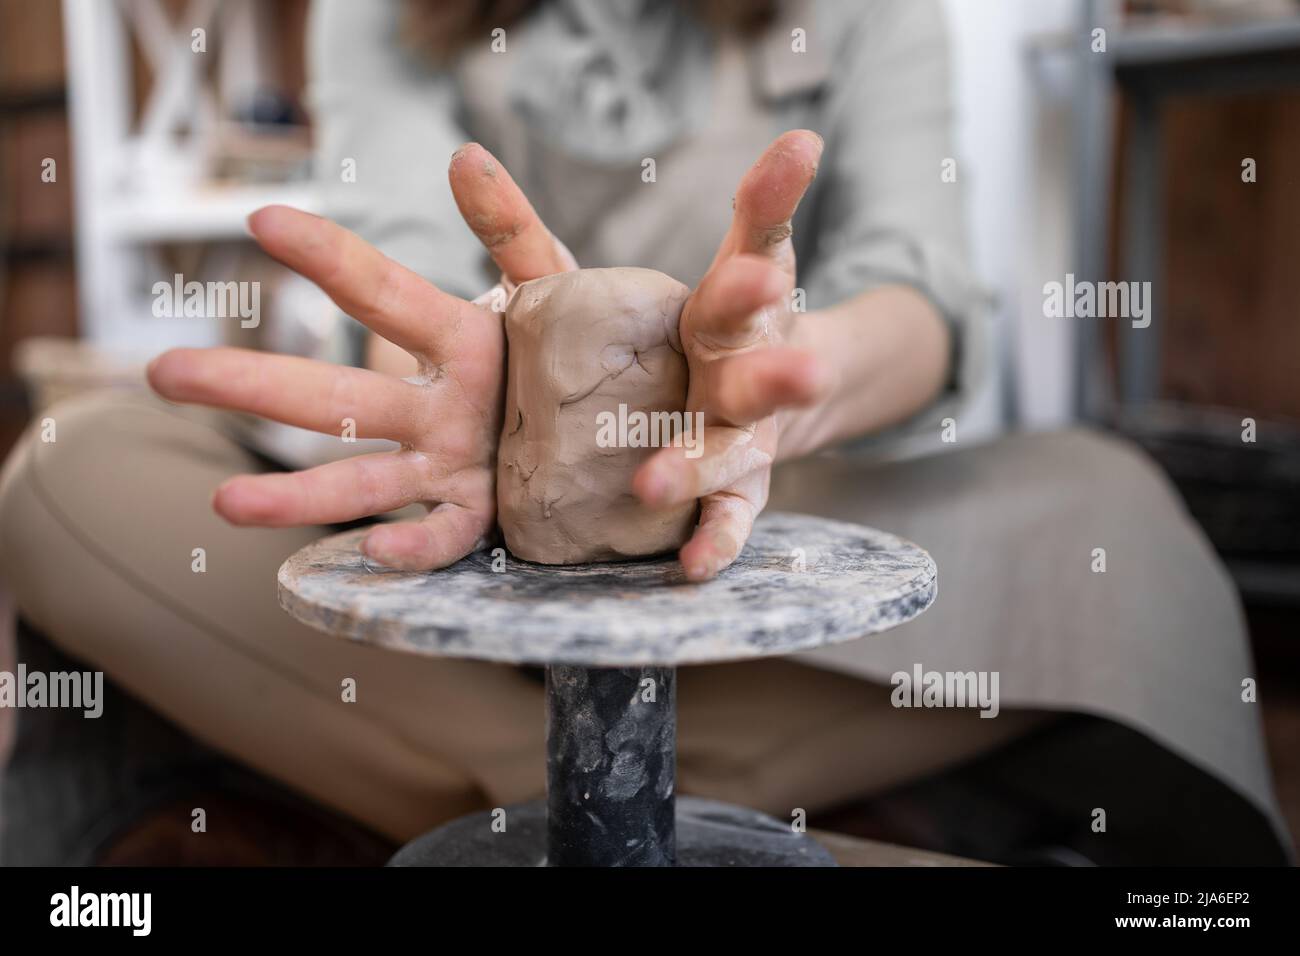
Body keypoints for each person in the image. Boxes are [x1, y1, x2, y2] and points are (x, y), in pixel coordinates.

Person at [0, 0, 1288, 864]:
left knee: (1114, 512)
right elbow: (399, 262)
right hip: (474, 519)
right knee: (77, 475)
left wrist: (794, 376)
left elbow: (923, 282)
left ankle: (491, 798)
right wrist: (457, 372)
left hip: (775, 492)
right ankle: (728, 808)